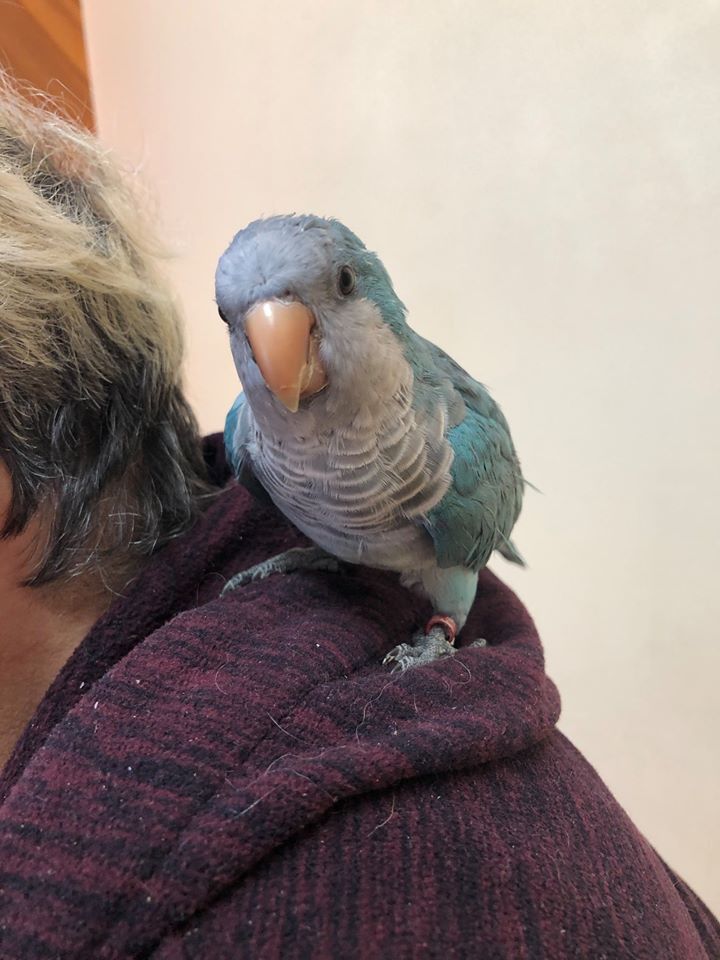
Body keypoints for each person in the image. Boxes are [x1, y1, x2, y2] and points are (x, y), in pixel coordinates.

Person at [0, 77, 717, 960]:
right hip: (331, 543)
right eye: (240, 322)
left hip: (434, 569)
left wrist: (439, 630)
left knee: (441, 584)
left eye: (332, 290)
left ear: (375, 297)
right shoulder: (249, 444)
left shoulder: (455, 448)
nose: (276, 337)